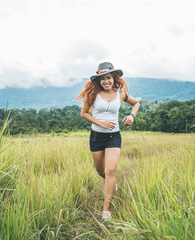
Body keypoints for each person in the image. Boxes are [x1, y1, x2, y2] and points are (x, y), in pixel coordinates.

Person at [77, 62, 140, 219]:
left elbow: (136, 103)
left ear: (114, 78)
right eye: (103, 79)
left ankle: (106, 211)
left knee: (110, 171)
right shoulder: (93, 94)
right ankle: (112, 184)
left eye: (109, 78)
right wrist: (100, 123)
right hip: (97, 137)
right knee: (101, 171)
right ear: (99, 81)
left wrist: (132, 115)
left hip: (114, 136)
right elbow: (84, 113)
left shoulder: (121, 93)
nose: (106, 81)